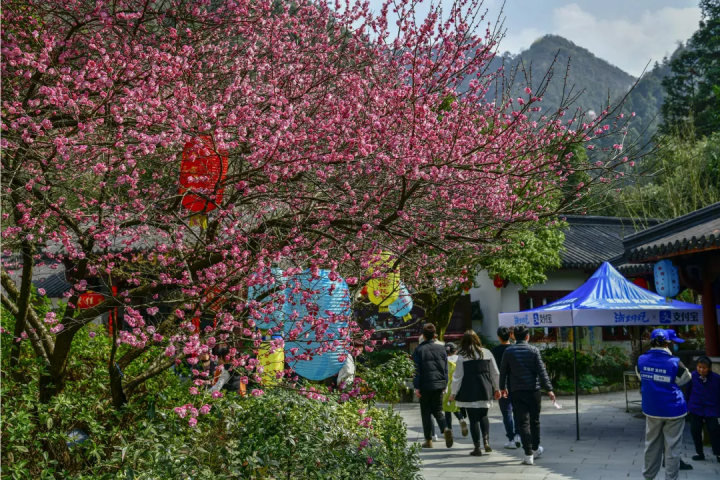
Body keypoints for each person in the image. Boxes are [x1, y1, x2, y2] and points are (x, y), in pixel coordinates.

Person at [636, 329, 692, 480]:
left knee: (651, 445)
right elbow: (686, 377)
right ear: (667, 343)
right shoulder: (674, 362)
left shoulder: (641, 359)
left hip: (651, 408)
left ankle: (648, 477)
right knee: (673, 448)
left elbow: (642, 377)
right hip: (674, 409)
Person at [499, 325, 555, 466]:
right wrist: (549, 389)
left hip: (517, 391)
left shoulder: (509, 351)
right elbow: (542, 371)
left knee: (523, 422)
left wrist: (502, 388)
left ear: (514, 336)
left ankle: (528, 454)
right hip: (533, 390)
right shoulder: (534, 350)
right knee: (534, 421)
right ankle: (535, 449)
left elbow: (503, 371)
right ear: (527, 336)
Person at [449, 330, 501, 456]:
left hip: (469, 389)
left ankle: (477, 447)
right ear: (477, 339)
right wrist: (497, 388)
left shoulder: (462, 356)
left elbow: (458, 376)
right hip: (485, 388)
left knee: (473, 420)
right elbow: (495, 372)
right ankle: (486, 441)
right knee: (484, 415)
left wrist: (453, 392)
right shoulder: (487, 353)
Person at [413, 323, 453, 448]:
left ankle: (429, 440)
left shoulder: (419, 350)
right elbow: (445, 368)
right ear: (434, 335)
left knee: (426, 412)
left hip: (425, 384)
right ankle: (445, 428)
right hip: (439, 383)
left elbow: (416, 370)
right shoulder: (442, 349)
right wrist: (445, 383)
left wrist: (417, 386)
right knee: (438, 410)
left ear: (423, 336)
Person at [491, 326, 521, 449]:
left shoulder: (494, 351)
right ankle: (519, 434)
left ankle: (511, 438)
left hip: (501, 384)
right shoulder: (515, 349)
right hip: (516, 383)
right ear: (510, 335)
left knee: (506, 412)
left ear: (499, 337)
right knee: (517, 411)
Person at [687, 356, 720, 463]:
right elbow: (687, 392)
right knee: (695, 430)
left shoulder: (716, 378)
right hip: (695, 407)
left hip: (711, 407)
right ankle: (699, 453)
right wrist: (687, 406)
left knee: (714, 429)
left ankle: (718, 453)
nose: (701, 370)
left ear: (709, 368)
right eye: (699, 367)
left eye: (704, 367)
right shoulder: (691, 376)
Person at [443, 342, 469, 437]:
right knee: (456, 407)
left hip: (448, 388)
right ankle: (461, 419)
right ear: (456, 351)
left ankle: (450, 430)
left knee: (447, 409)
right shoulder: (460, 359)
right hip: (460, 387)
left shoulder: (444, 361)